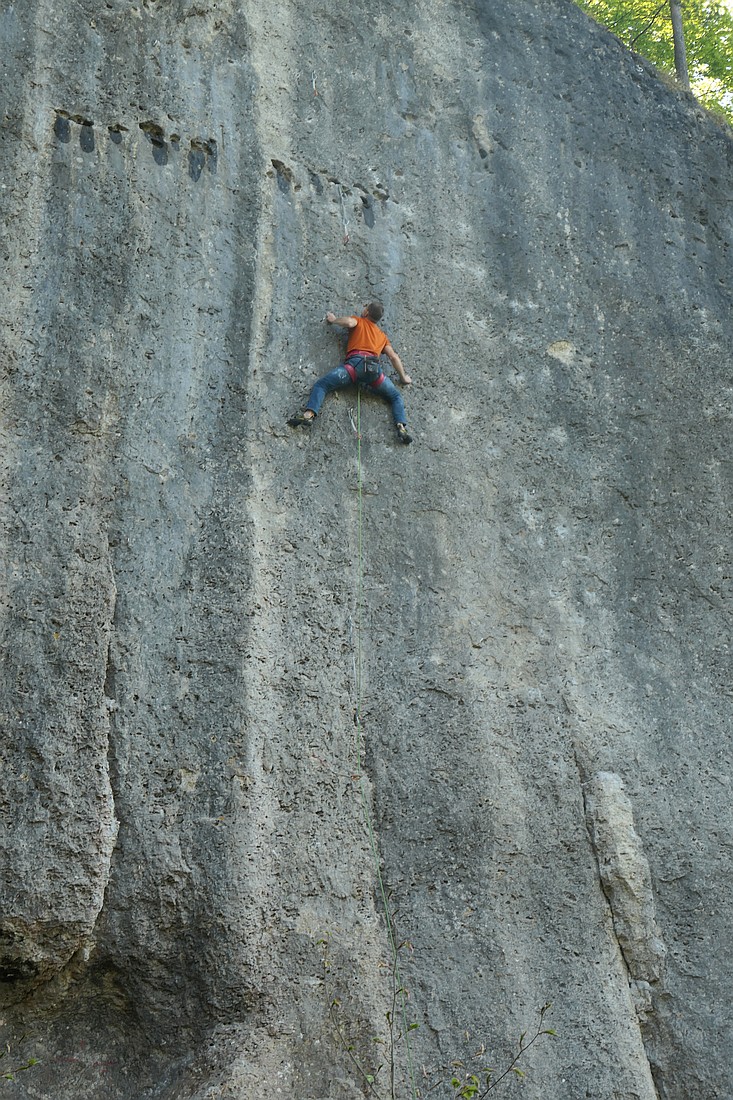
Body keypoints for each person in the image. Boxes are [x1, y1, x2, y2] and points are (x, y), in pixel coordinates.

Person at [288, 303, 413, 444]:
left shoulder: (359, 321)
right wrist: (403, 377)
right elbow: (393, 357)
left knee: (322, 385)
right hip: (374, 372)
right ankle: (401, 426)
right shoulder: (382, 336)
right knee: (395, 396)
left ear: (366, 312)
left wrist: (333, 320)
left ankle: (309, 414)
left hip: (354, 367)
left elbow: (348, 322)